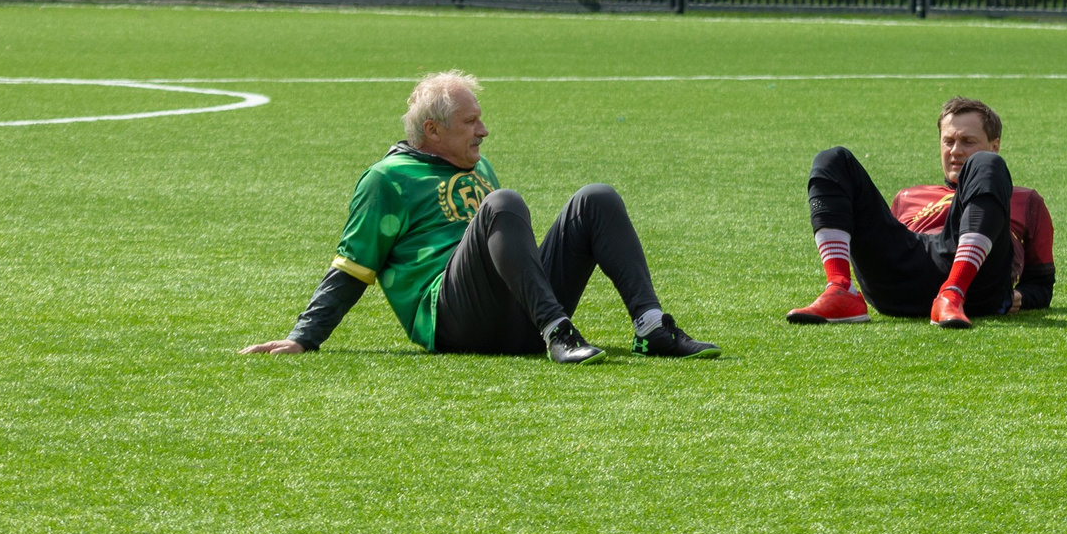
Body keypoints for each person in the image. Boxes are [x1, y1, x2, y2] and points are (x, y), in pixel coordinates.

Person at [242, 71, 716, 362]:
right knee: (502, 203)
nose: (484, 131)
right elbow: (351, 268)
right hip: (453, 319)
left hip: (514, 312)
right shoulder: (387, 180)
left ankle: (651, 328)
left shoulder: (476, 164)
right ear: (432, 130)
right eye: (470, 122)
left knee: (597, 198)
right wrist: (303, 337)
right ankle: (558, 332)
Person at [787, 96, 1055, 329]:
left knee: (986, 165)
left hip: (977, 285)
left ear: (995, 144)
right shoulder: (908, 195)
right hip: (903, 278)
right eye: (948, 141)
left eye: (967, 141)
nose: (956, 151)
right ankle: (840, 288)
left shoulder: (1024, 199)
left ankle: (953, 291)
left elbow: (1041, 285)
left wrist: (1019, 297)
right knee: (832, 159)